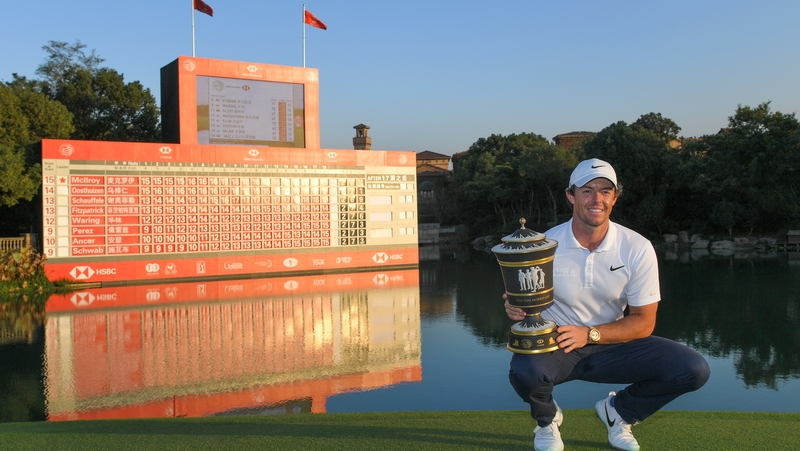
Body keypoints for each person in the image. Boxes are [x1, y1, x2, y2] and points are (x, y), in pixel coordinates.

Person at [504, 158, 710, 451]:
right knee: (524, 371)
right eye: (587, 190)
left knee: (693, 368)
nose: (596, 199)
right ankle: (547, 420)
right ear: (570, 195)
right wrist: (516, 308)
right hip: (557, 344)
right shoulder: (544, 245)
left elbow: (643, 321)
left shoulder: (636, 247)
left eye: (605, 190)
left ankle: (620, 411)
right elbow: (524, 302)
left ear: (615, 197)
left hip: (615, 343)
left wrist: (589, 334)